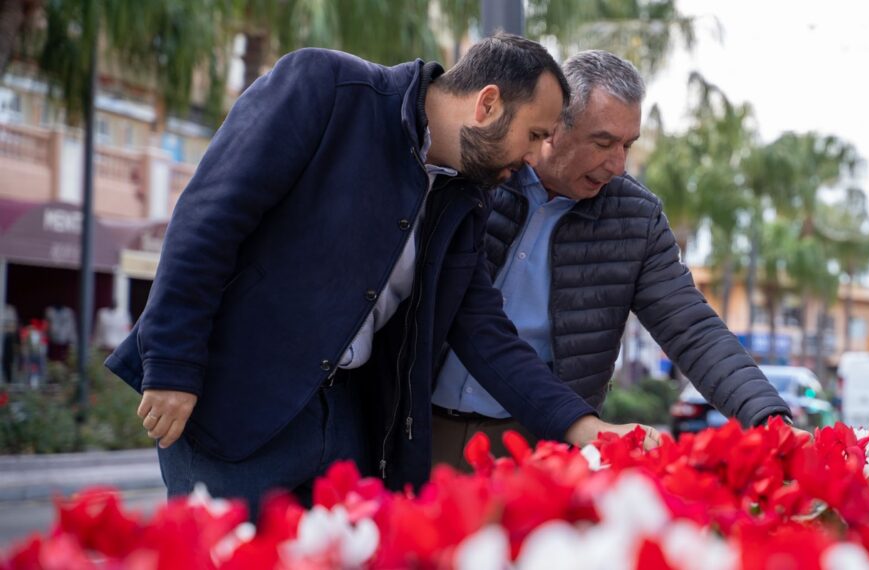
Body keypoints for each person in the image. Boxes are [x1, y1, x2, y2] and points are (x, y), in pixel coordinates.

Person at [105, 35, 657, 516]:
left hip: (347, 427)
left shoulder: (464, 196)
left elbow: (485, 332)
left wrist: (584, 427)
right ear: (488, 104)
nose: (537, 157)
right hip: (236, 409)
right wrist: (172, 366)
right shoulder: (326, 88)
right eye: (534, 134)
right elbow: (207, 219)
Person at [431, 51, 792, 468]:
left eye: (627, 145)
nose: (618, 165)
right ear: (552, 126)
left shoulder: (635, 219)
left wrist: (769, 420)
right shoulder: (479, 175)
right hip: (420, 423)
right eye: (603, 143)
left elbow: (692, 328)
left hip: (543, 442)